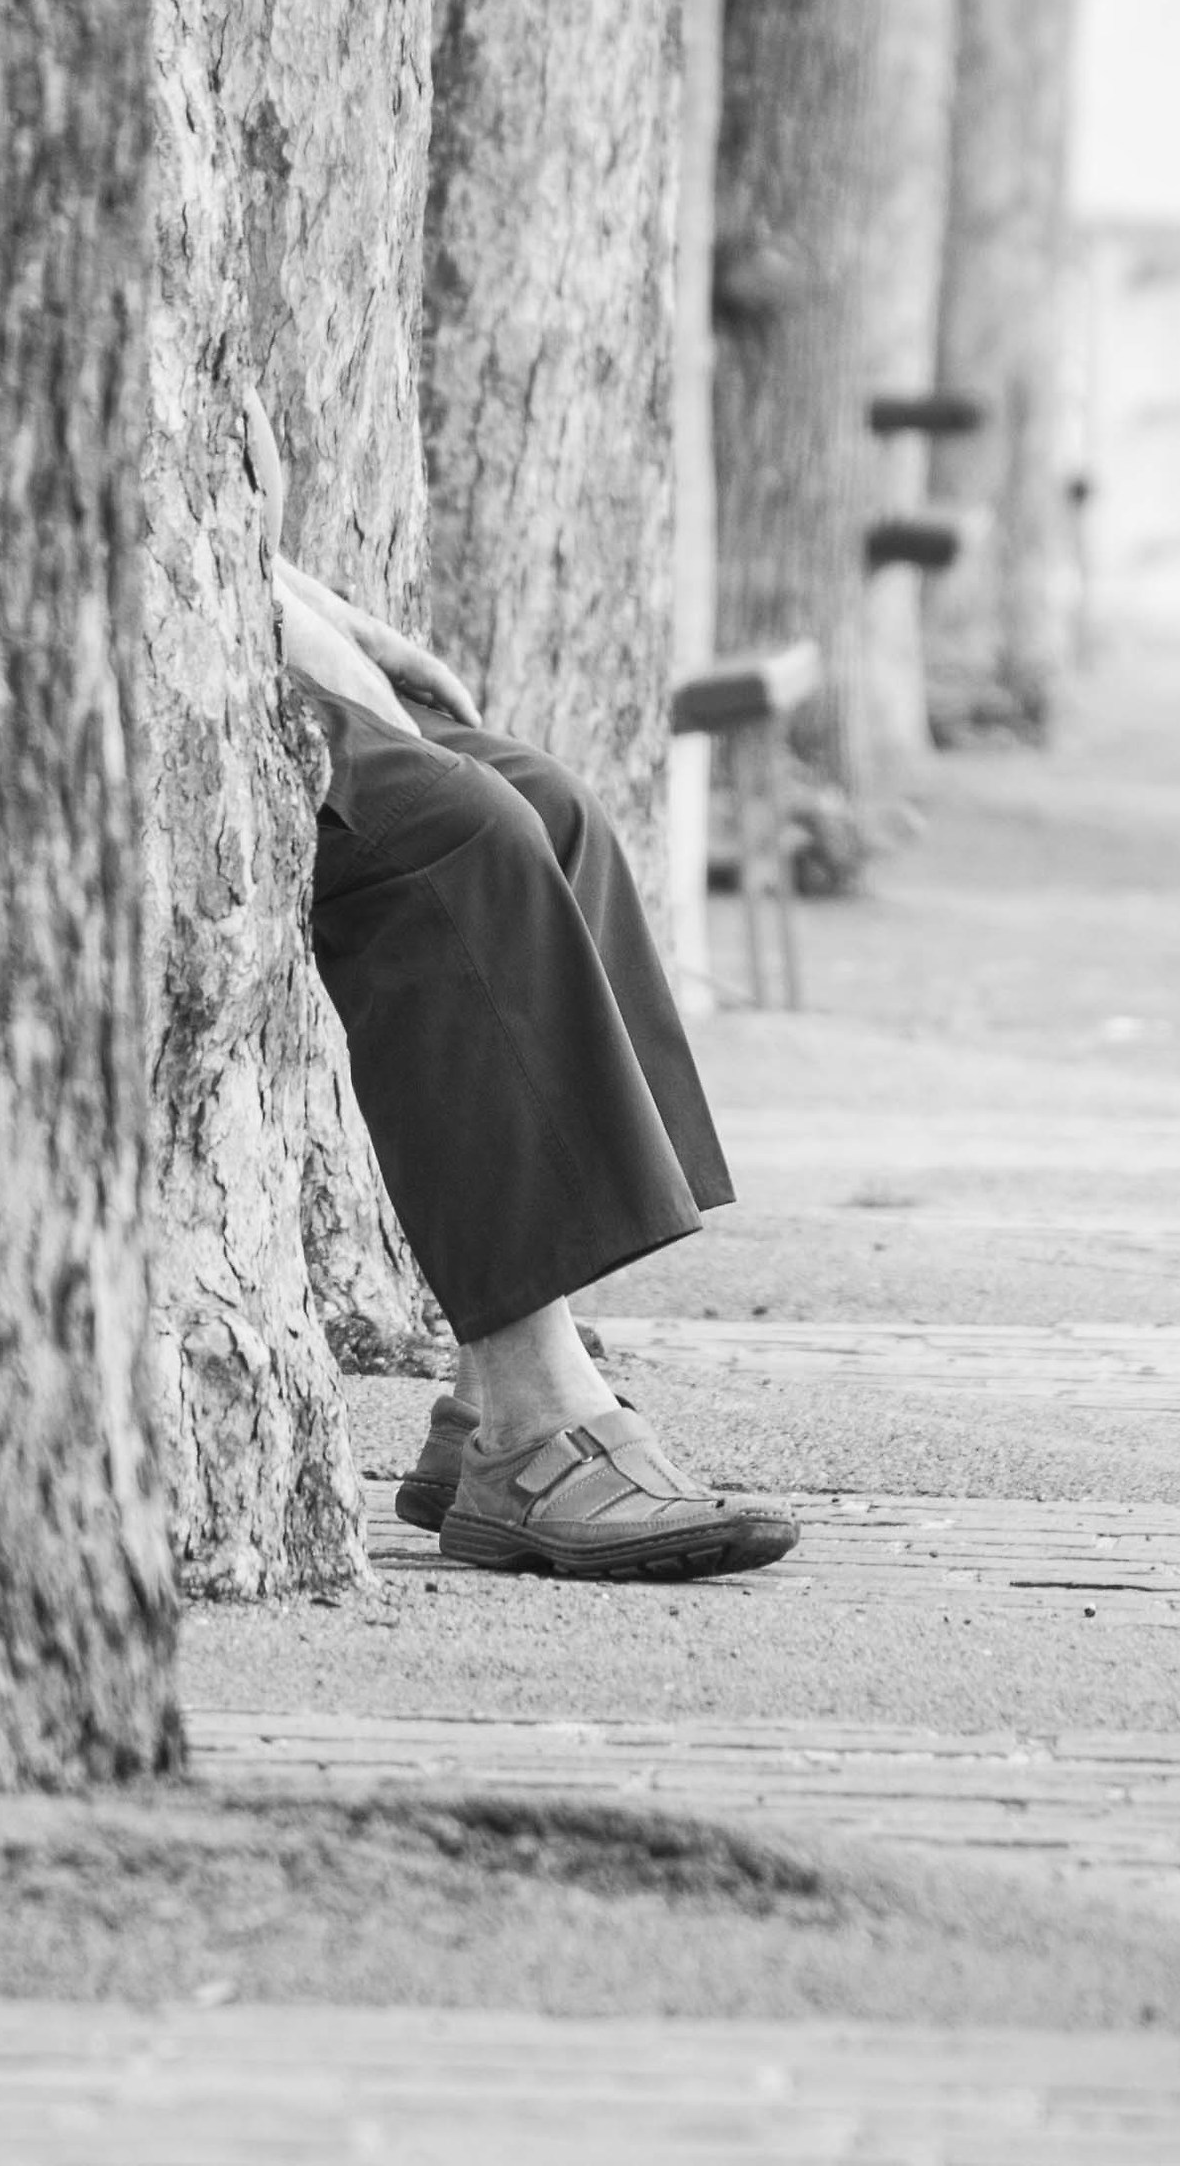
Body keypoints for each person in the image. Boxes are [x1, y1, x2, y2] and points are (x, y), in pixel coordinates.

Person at [273, 547, 797, 1583]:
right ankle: (531, 1429)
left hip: (228, 605)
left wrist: (316, 605)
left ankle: (488, 1387)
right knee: (451, 836)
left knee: (548, 805)